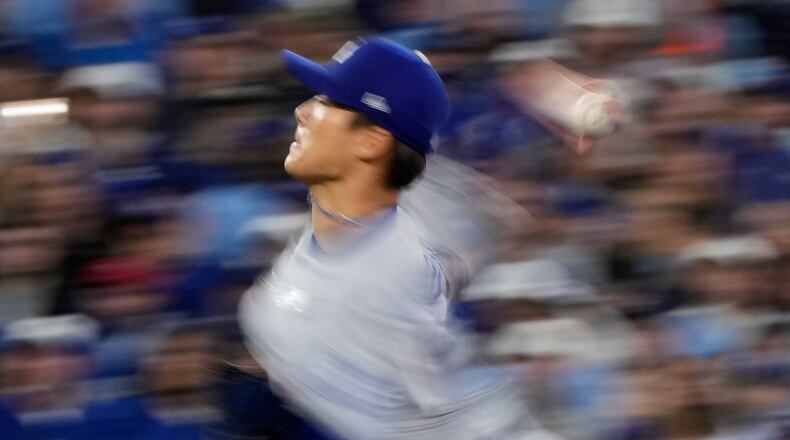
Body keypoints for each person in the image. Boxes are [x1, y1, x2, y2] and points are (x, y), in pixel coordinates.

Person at [239, 37, 556, 439]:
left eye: (327, 101)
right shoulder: (365, 240)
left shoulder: (382, 275)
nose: (302, 111)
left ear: (371, 141)